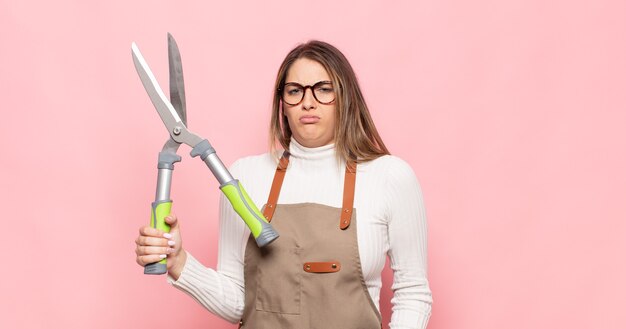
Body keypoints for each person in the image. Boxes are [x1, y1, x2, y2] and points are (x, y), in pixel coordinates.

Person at [135, 40, 432, 329]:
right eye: (295, 91)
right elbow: (239, 301)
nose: (308, 101)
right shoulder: (246, 176)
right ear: (283, 104)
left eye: (323, 89)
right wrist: (178, 262)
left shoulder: (390, 177)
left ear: (345, 97)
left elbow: (413, 293)